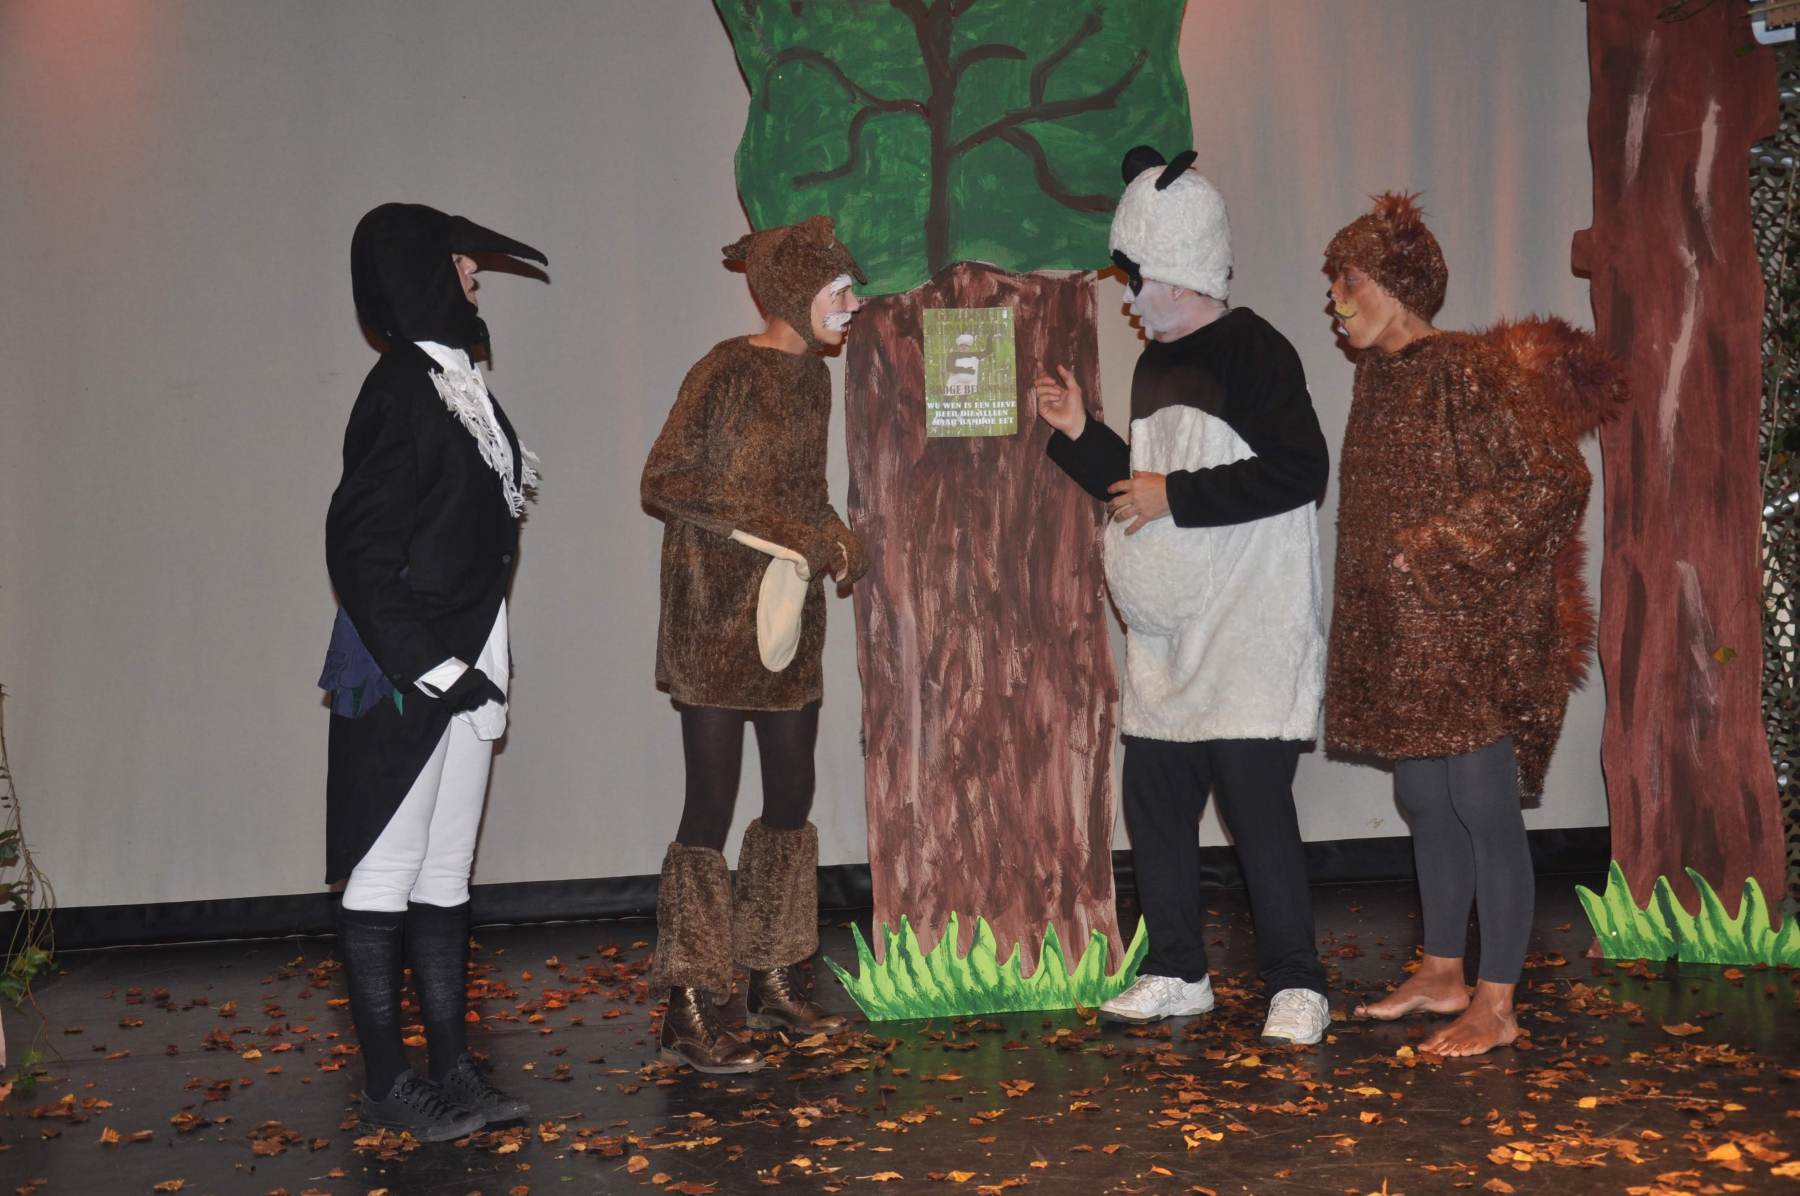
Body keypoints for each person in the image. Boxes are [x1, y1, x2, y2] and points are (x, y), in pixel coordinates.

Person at [1035, 146, 1332, 1045]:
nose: (1128, 298)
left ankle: (1297, 983)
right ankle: (1178, 969)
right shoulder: (1152, 366)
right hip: (1170, 642)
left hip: (1246, 632)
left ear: (1176, 271)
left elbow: (1301, 470)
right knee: (1156, 804)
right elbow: (1142, 489)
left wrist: (1178, 494)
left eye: (1134, 278)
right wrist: (1080, 434)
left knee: (1256, 814)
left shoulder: (1257, 350)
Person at [1323, 193, 1607, 1056]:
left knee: (1483, 801)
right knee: (1420, 796)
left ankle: (1499, 1001)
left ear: (1397, 285)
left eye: (1348, 281)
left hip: (1474, 630)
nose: (1336, 299)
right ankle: (1444, 971)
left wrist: (1435, 549)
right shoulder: (1378, 378)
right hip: (1407, 637)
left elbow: (1555, 479)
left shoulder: (1469, 368)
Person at [320, 202, 546, 1138]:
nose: (474, 274)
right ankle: (387, 1081)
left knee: (446, 871)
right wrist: (430, 667)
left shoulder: (457, 382)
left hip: (469, 653)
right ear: (418, 272)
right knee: (385, 873)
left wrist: (483, 658)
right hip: (403, 665)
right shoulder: (400, 389)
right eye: (459, 262)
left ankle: (452, 1068)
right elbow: (359, 547)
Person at [641, 215, 869, 1074]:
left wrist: (835, 533)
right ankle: (690, 1004)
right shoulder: (724, 368)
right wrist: (789, 529)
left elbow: (801, 494)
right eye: (838, 290)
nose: (852, 305)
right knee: (710, 803)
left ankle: (772, 978)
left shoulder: (814, 378)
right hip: (711, 620)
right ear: (791, 292)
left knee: (791, 795)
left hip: (786, 620)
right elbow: (664, 481)